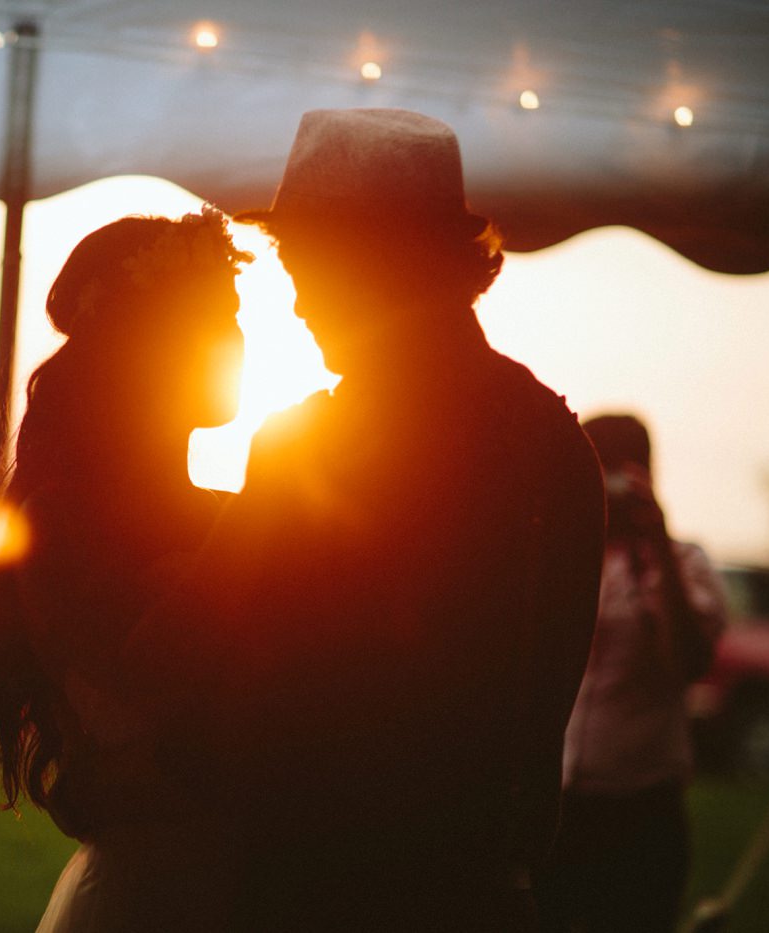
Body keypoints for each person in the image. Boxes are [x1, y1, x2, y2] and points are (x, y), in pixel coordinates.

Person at [126, 109, 606, 931]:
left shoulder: (312, 442)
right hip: (487, 893)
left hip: (314, 887)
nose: (298, 296)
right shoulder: (557, 443)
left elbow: (182, 652)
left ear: (373, 261)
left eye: (307, 261)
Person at [0, 208, 252, 931]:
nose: (241, 342)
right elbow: (127, 707)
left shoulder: (230, 508)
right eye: (216, 318)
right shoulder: (62, 521)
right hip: (151, 895)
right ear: (146, 343)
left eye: (238, 316)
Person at [539, 413, 727, 933]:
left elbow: (691, 661)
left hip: (641, 809)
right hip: (559, 805)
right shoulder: (570, 557)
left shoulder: (685, 563)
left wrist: (658, 544)